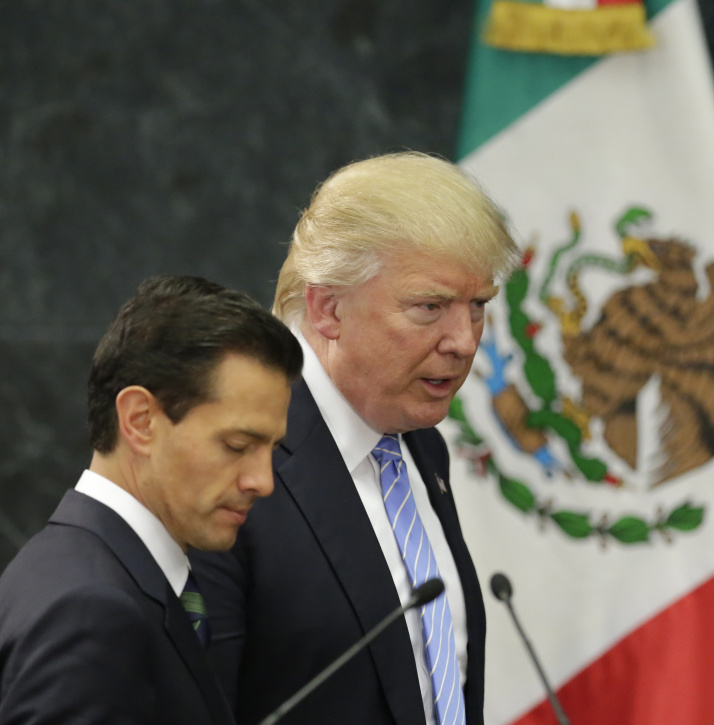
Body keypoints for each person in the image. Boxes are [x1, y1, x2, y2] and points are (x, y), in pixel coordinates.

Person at [190, 152, 520, 725]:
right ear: (328, 309)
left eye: (478, 307)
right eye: (430, 307)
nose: (465, 342)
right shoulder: (234, 466)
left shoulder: (419, 443)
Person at [0, 275, 303, 725]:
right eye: (237, 446)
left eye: (272, 450)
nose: (263, 481)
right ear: (140, 421)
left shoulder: (68, 569)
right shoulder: (90, 613)